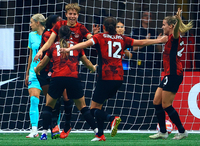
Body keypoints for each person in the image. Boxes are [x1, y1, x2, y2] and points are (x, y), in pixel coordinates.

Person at [59, 17, 167, 141]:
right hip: (119, 78)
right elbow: (141, 42)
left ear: (104, 27)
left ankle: (112, 119)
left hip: (105, 77)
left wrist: (69, 48)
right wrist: (159, 40)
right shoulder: (123, 39)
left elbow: (85, 44)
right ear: (115, 27)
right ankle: (100, 134)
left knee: (93, 109)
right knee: (100, 105)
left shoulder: (99, 37)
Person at [34, 25, 98, 140]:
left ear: (57, 35)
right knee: (83, 107)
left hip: (57, 78)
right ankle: (97, 131)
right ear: (70, 35)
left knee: (49, 106)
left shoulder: (53, 46)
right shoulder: (77, 46)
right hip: (73, 78)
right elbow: (87, 62)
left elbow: (43, 62)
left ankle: (44, 133)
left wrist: (36, 69)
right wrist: (93, 68)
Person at [149, 8, 193, 140]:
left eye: (164, 24)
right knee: (156, 101)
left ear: (171, 26)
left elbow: (176, 31)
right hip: (168, 73)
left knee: (166, 104)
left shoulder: (175, 37)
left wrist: (178, 19)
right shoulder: (169, 38)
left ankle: (182, 131)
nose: (162, 27)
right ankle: (163, 131)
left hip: (174, 74)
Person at [37, 14, 73, 139]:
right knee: (51, 100)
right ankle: (51, 127)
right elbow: (49, 52)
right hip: (45, 71)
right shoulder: (48, 35)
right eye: (59, 22)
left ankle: (57, 127)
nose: (62, 23)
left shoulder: (61, 38)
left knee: (64, 98)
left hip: (55, 71)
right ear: (53, 24)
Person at [33, 3, 99, 62]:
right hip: (58, 60)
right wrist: (40, 51)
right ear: (66, 14)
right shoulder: (59, 24)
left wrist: (95, 35)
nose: (72, 16)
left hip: (74, 61)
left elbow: (91, 39)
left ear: (78, 15)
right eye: (70, 14)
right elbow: (49, 42)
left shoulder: (81, 27)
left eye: (74, 14)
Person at [25, 13, 45, 138]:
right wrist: (27, 73)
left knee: (54, 101)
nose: (30, 24)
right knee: (33, 99)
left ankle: (56, 127)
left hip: (47, 71)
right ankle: (34, 129)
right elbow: (31, 54)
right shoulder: (31, 35)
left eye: (31, 22)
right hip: (34, 72)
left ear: (38, 23)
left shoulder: (49, 35)